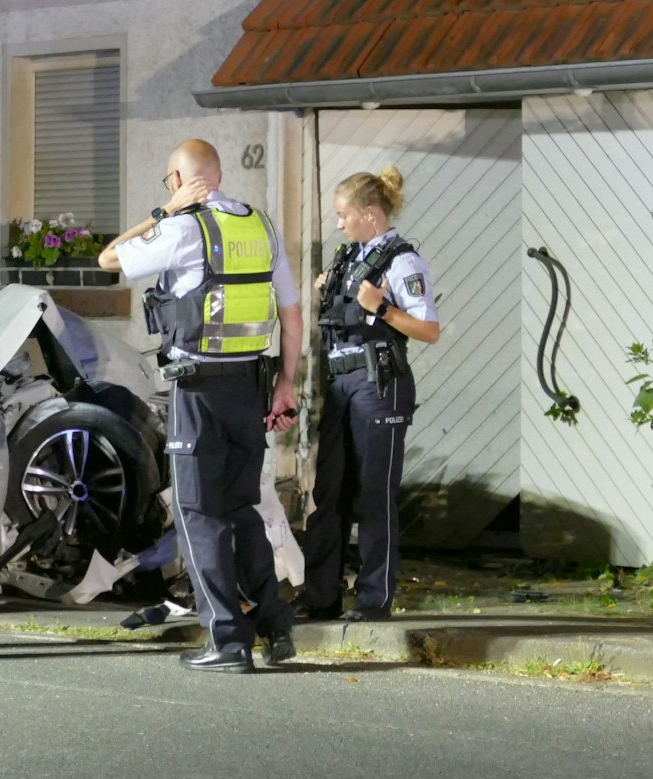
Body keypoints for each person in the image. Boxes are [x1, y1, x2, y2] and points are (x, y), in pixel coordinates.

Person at [97, 139, 302, 674]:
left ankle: (227, 641)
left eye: (168, 181)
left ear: (179, 180)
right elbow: (293, 312)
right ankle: (275, 627)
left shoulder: (183, 228)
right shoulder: (261, 227)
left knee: (198, 516)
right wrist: (287, 383)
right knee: (241, 511)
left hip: (199, 390)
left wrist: (162, 213)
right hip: (249, 388)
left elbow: (108, 258)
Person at [295, 166, 440, 623]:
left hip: (380, 385)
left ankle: (373, 599)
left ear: (371, 214)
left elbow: (429, 330)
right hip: (340, 385)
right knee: (329, 493)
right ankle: (320, 598)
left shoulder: (402, 261)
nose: (338, 223)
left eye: (344, 215)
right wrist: (330, 288)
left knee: (374, 495)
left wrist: (384, 308)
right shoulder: (350, 258)